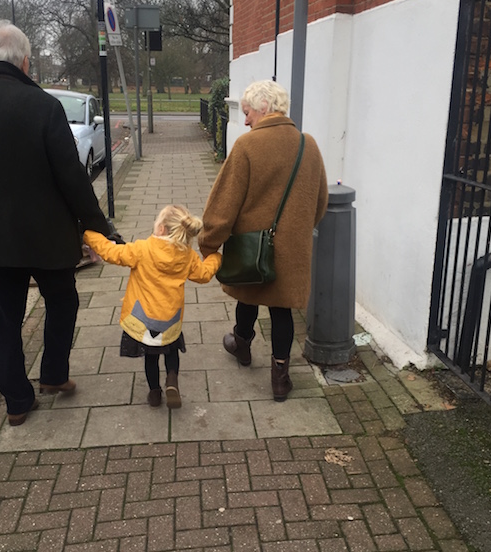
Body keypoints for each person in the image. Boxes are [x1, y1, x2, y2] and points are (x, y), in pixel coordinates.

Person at [0, 20, 111, 426]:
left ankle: (16, 400)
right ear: (25, 62)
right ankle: (54, 374)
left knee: (4, 319)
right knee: (62, 302)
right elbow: (71, 177)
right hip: (50, 234)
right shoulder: (44, 106)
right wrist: (98, 226)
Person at [198, 79, 328, 402]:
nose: (245, 121)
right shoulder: (308, 145)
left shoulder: (247, 146)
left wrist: (209, 243)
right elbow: (321, 201)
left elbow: (224, 204)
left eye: (247, 113)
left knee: (249, 294)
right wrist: (297, 231)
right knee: (282, 310)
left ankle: (241, 345)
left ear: (265, 107)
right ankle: (280, 379)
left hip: (252, 245)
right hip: (293, 250)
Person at [83, 205, 221, 409]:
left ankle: (155, 392)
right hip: (170, 321)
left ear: (161, 229)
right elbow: (203, 274)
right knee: (171, 352)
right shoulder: (188, 255)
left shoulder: (141, 249)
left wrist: (89, 235)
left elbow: (111, 252)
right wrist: (215, 257)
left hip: (145, 321)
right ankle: (172, 380)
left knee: (151, 358)